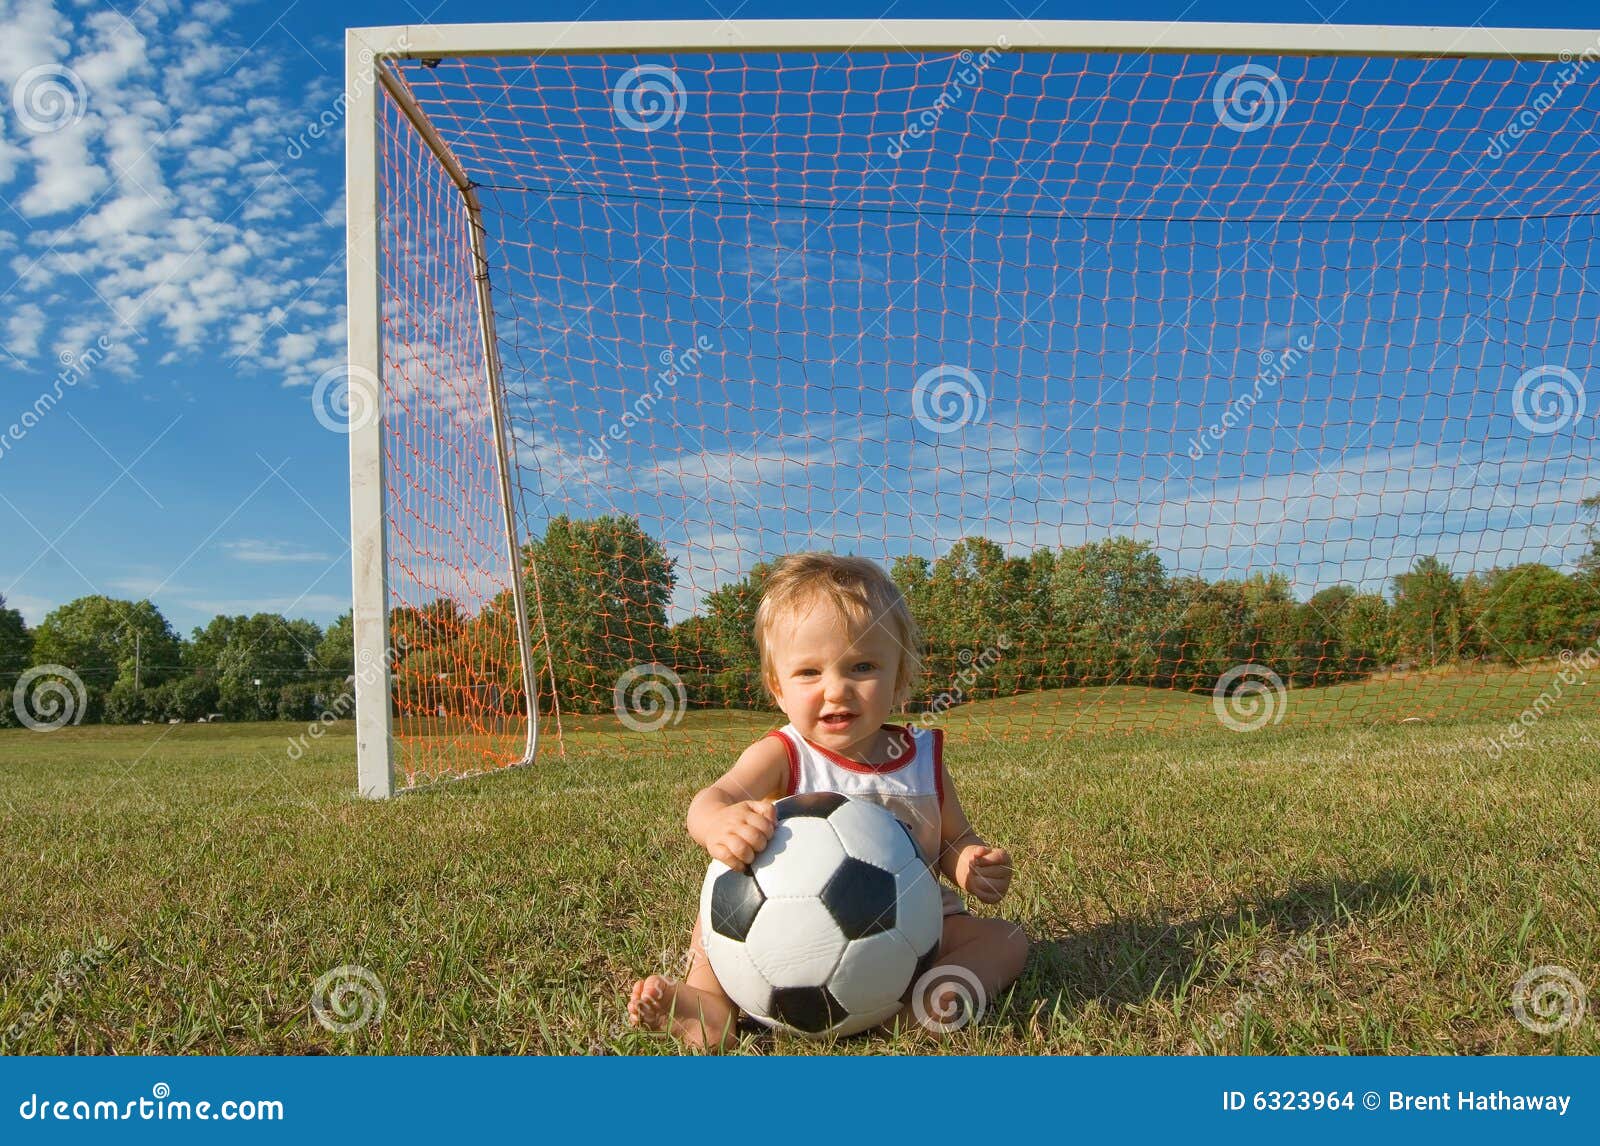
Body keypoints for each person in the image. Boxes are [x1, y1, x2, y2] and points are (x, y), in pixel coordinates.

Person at [628, 553, 1028, 1049]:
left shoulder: (921, 756)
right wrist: (718, 824)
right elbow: (713, 798)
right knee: (717, 927)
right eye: (809, 672)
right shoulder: (782, 753)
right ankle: (708, 1007)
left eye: (862, 667)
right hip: (781, 928)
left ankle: (918, 1006)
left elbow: (951, 838)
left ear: (900, 677)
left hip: (921, 925)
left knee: (1007, 941)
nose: (836, 690)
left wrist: (970, 861)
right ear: (778, 687)